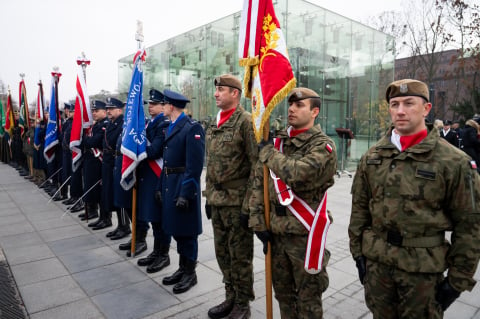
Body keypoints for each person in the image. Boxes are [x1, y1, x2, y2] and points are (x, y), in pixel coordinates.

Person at [349, 79, 480, 318]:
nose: (400, 111)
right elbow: (359, 209)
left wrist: (457, 280)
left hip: (422, 273)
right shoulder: (373, 156)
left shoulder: (454, 161)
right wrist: (358, 254)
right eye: (394, 104)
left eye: (409, 103)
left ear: (426, 109)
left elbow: (470, 225)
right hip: (378, 267)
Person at [249, 87, 338, 318]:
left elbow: (298, 173)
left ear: (315, 111)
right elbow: (260, 183)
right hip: (276, 233)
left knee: (308, 301)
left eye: (299, 105)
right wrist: (258, 221)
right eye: (290, 104)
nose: (291, 109)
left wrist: (268, 152)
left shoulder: (323, 146)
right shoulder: (278, 142)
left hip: (304, 236)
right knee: (283, 296)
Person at [204, 74, 258, 319]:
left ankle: (243, 303)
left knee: (240, 257)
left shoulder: (245, 121)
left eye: (222, 90)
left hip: (237, 204)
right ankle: (230, 297)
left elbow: (256, 165)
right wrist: (208, 196)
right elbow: (211, 162)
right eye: (216, 90)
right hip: (217, 200)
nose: (216, 94)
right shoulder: (214, 122)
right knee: (222, 253)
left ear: (235, 93)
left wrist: (250, 205)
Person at [160, 89, 205, 294]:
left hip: (183, 187)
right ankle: (182, 267)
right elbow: (167, 161)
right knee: (177, 230)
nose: (162, 107)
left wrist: (185, 194)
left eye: (164, 104)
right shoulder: (171, 127)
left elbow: (194, 167)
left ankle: (191, 273)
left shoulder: (191, 128)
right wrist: (161, 187)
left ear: (170, 106)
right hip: (171, 185)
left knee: (187, 234)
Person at [90, 97, 124, 230]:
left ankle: (123, 226)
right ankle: (108, 220)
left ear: (120, 110)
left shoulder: (122, 124)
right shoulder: (111, 123)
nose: (108, 111)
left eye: (111, 109)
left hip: (116, 162)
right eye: (107, 108)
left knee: (118, 195)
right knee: (107, 193)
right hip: (108, 162)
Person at [77, 100, 108, 222]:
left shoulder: (104, 125)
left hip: (98, 161)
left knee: (99, 190)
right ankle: (93, 211)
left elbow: (93, 142)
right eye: (93, 111)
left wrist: (84, 137)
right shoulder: (95, 125)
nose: (94, 113)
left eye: (97, 111)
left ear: (104, 112)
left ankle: (104, 217)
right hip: (90, 160)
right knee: (90, 186)